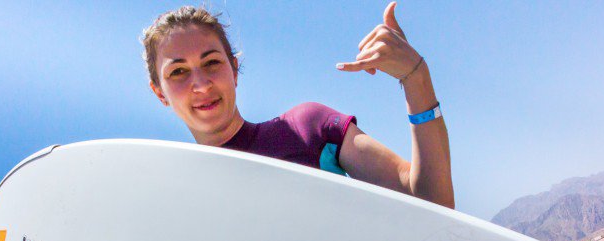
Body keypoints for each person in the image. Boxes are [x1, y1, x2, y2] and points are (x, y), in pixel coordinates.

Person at [141, 2, 454, 208]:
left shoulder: (306, 129)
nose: (201, 84)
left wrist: (416, 78)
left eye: (211, 62)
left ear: (234, 70)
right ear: (160, 93)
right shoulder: (174, 196)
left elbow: (431, 204)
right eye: (178, 72)